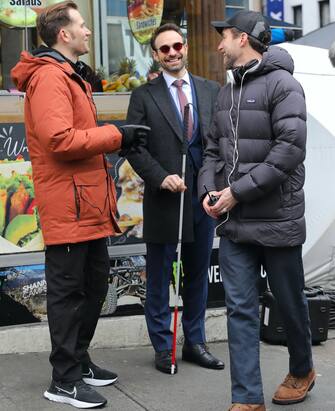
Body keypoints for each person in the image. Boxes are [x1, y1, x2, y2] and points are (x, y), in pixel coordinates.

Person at [11, 1, 148, 409]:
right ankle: (64, 379)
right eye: (83, 25)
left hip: (85, 204)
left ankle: (79, 362)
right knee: (69, 293)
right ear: (63, 34)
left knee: (94, 286)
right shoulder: (51, 78)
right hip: (68, 205)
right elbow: (59, 140)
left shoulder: (70, 76)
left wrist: (114, 138)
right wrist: (116, 136)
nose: (89, 31)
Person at [198, 10, 315, 411]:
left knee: (290, 304)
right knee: (240, 311)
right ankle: (247, 399)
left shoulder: (285, 86)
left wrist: (235, 192)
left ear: (244, 39)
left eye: (224, 37)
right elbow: (212, 151)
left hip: (277, 220)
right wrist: (209, 191)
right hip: (234, 224)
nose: (218, 45)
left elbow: (288, 151)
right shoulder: (226, 91)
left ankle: (302, 369)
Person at [125, 23, 225, 374]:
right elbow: (134, 148)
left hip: (202, 198)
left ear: (185, 47)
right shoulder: (143, 95)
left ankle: (195, 343)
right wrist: (159, 177)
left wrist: (215, 185)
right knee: (158, 278)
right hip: (164, 198)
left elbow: (221, 142)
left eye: (176, 46)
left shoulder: (212, 90)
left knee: (196, 274)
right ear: (155, 54)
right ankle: (163, 348)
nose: (172, 53)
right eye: (163, 49)